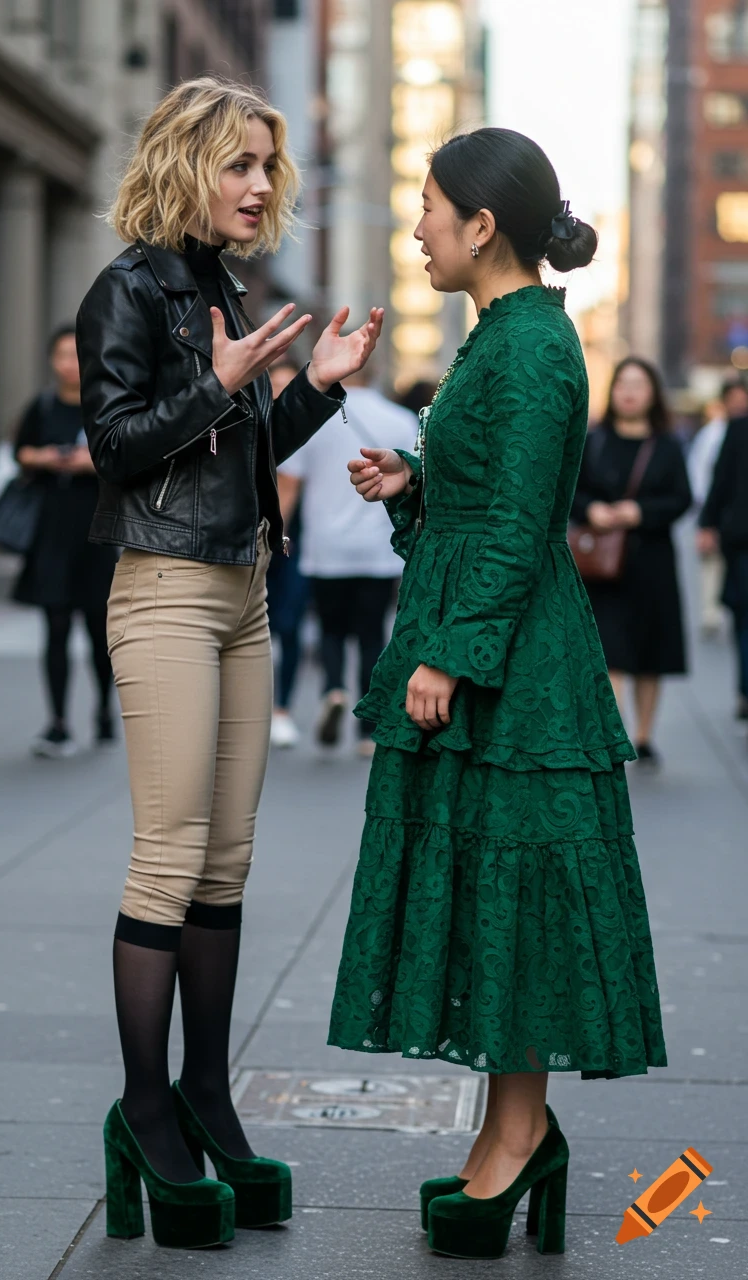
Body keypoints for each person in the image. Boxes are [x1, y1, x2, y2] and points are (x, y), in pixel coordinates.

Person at [327, 128, 666, 1261]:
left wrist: (451, 653)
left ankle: (518, 1135)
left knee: (513, 892)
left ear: (481, 224)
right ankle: (510, 1130)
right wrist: (415, 482)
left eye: (427, 206)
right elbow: (488, 499)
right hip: (494, 648)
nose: (415, 225)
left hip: (513, 670)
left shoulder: (526, 347)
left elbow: (523, 525)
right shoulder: (502, 337)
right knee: (494, 892)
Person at [76, 76, 382, 1250]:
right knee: (165, 857)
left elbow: (234, 449)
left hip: (244, 589)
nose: (259, 186)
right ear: (187, 163)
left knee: (226, 857)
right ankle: (144, 1107)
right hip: (160, 587)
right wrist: (228, 379)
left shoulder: (216, 284)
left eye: (267, 165)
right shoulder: (129, 287)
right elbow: (113, 447)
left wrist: (311, 388)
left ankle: (206, 1090)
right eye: (239, 163)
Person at [278, 367, 418, 754]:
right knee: (372, 633)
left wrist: (277, 534)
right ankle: (366, 731)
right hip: (378, 549)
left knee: (331, 629)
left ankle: (334, 690)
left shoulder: (316, 420)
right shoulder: (401, 420)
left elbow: (289, 484)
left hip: (326, 547)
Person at [571, 358, 691, 767]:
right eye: (623, 382)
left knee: (651, 651)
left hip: (652, 562)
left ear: (653, 393)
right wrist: (596, 511)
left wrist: (639, 513)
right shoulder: (594, 441)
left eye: (639, 384)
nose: (629, 391)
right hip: (601, 565)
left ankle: (644, 735)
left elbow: (681, 499)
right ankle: (615, 729)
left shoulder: (668, 444)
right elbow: (570, 492)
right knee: (610, 649)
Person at [12, 325, 119, 758]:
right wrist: (48, 457)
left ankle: (104, 712)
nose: (68, 364)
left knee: (99, 633)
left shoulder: (106, 405)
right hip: (52, 534)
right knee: (55, 628)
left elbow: (125, 456)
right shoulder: (40, 406)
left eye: (76, 355)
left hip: (96, 534)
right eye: (60, 355)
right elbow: (19, 451)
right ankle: (57, 722)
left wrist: (90, 463)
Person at [267, 358, 308, 748]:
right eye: (273, 388)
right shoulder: (252, 425)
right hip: (257, 540)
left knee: (290, 625)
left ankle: (282, 710)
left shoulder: (308, 426)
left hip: (294, 543)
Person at [698, 412, 748, 730]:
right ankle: (746, 690)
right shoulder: (739, 428)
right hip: (743, 543)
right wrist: (707, 523)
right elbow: (722, 479)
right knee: (745, 617)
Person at [688, 377, 748, 637]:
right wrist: (706, 520)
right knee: (713, 569)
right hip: (732, 527)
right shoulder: (718, 432)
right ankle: (711, 613)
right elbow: (708, 476)